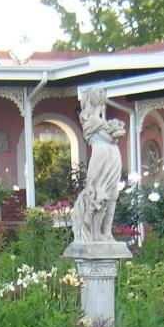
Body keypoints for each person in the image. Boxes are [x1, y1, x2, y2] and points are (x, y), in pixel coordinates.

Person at [72, 88, 126, 243]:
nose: (103, 105)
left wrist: (115, 129)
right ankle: (96, 232)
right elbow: (110, 138)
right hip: (101, 159)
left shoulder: (100, 121)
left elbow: (114, 136)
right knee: (100, 196)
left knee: (112, 196)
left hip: (111, 159)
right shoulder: (92, 121)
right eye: (101, 102)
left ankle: (107, 232)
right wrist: (115, 129)